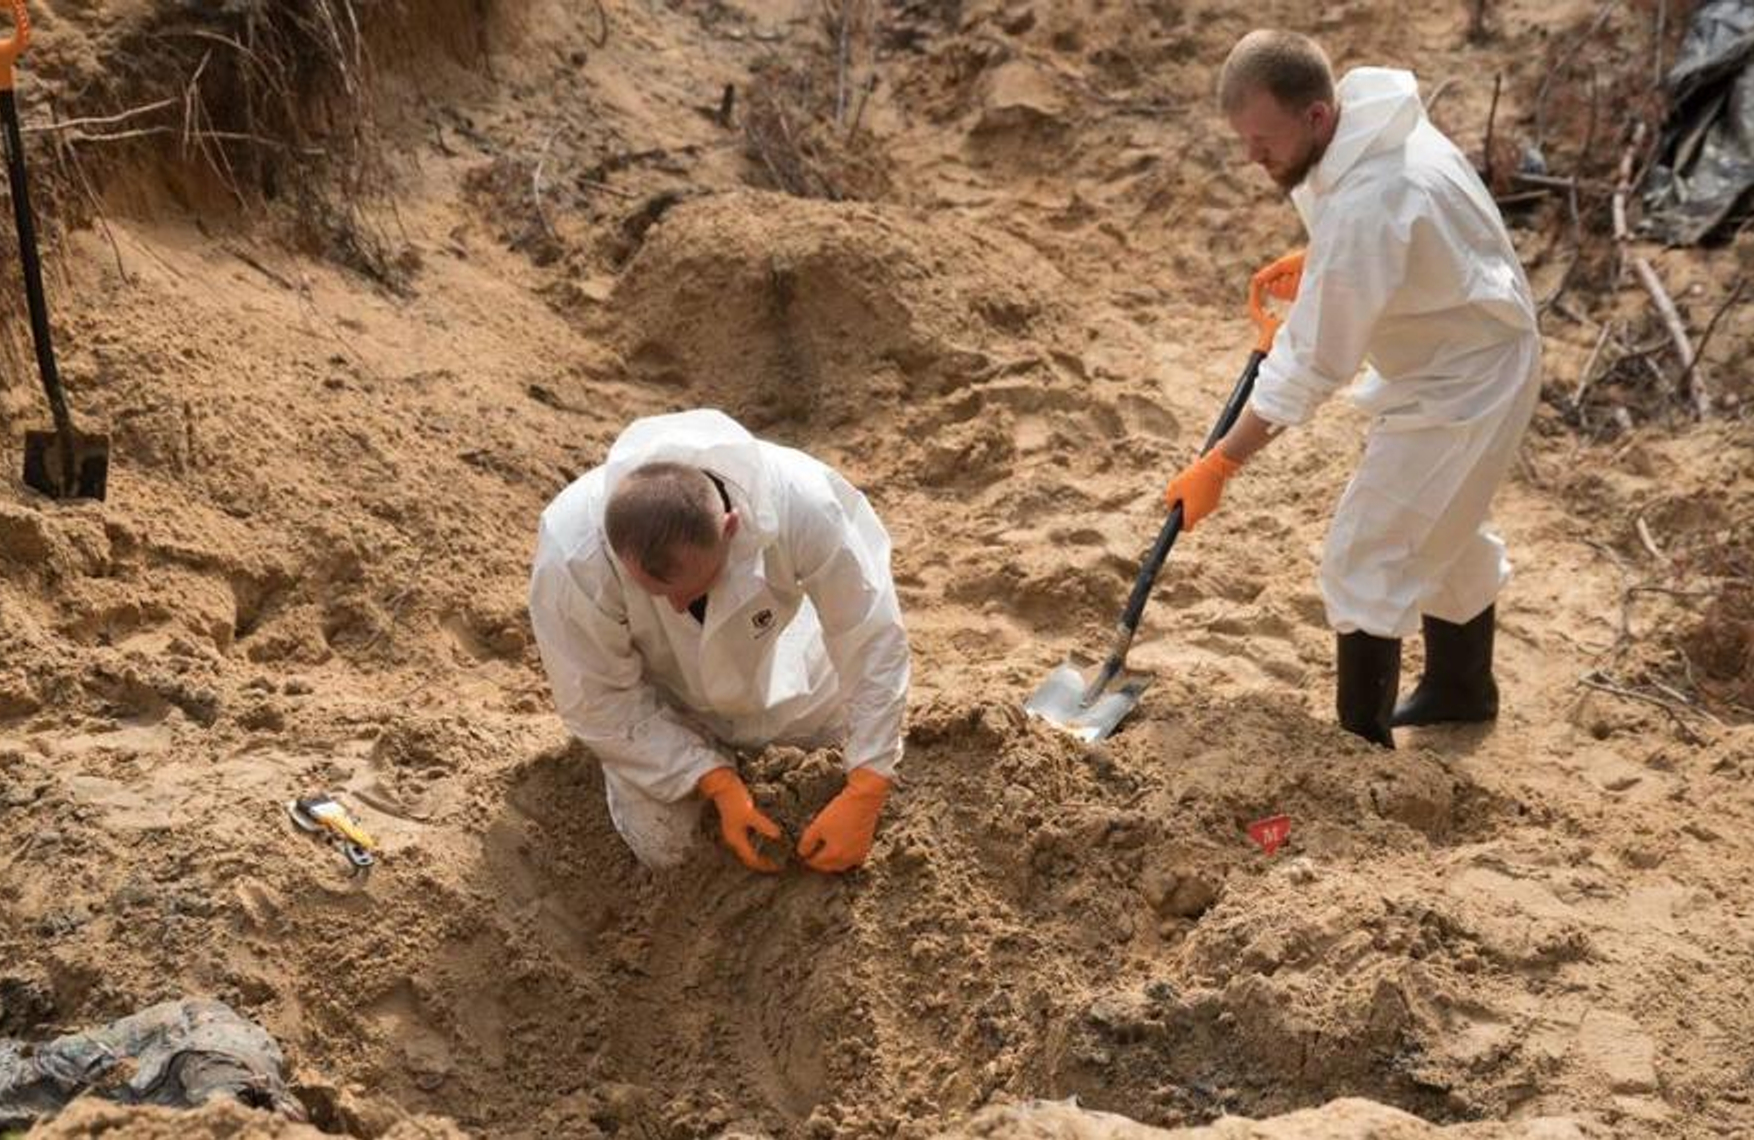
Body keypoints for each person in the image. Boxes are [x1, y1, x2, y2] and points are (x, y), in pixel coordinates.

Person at [1161, 29, 1541, 748]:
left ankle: (1358, 752)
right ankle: (1461, 690)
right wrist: (1325, 260)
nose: (1252, 158)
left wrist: (1222, 462)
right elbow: (1406, 236)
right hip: (1459, 349)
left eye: (1263, 141)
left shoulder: (1372, 196)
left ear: (1315, 115)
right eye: (1243, 141)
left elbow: (1313, 366)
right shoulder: (1369, 127)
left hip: (1467, 381)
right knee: (1447, 528)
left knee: (1365, 555)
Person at [528, 409, 910, 871]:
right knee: (671, 850)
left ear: (730, 527)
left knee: (862, 776)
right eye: (654, 594)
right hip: (666, 705)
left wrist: (866, 788)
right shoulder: (573, 555)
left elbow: (871, 637)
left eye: (689, 588)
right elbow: (597, 698)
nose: (674, 607)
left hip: (792, 677)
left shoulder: (805, 504)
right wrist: (713, 779)